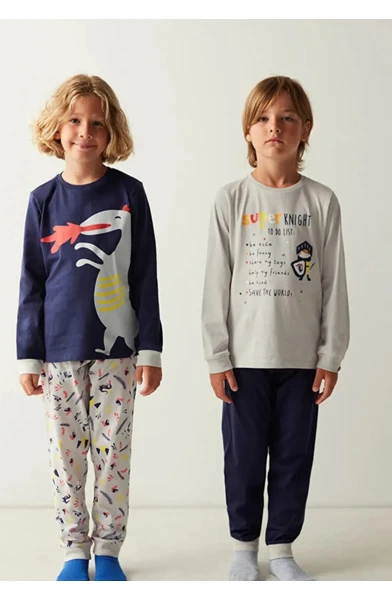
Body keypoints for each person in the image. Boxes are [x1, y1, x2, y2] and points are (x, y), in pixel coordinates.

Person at [202, 75, 349, 581]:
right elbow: (216, 281)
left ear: (305, 129)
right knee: (242, 458)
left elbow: (333, 284)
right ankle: (244, 547)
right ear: (248, 130)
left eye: (287, 118)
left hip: (301, 360)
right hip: (244, 359)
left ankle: (282, 549)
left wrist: (330, 355)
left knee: (293, 456)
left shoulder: (321, 202)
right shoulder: (231, 199)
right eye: (263, 118)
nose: (275, 127)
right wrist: (217, 355)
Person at [16, 74, 163, 581]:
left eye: (97, 123)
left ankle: (109, 550)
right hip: (57, 354)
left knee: (113, 455)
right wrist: (28, 354)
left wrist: (151, 349)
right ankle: (74, 550)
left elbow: (145, 275)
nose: (85, 132)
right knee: (66, 458)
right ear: (57, 128)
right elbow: (32, 282)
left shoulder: (129, 193)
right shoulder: (43, 200)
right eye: (75, 120)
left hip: (117, 352)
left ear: (111, 130)